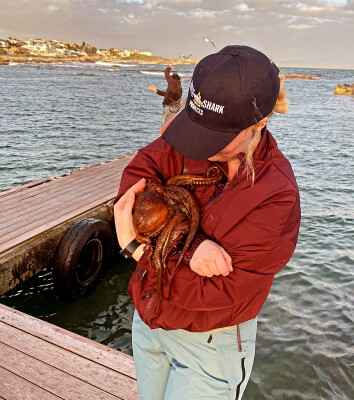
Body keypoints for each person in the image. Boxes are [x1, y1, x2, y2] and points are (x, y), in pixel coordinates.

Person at [114, 45, 301, 400]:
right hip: (150, 320)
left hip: (211, 344)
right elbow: (136, 181)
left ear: (260, 121)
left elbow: (226, 290)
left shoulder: (276, 195)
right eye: (196, 127)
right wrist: (192, 245)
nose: (196, 146)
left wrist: (138, 249)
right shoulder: (184, 141)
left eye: (214, 135)